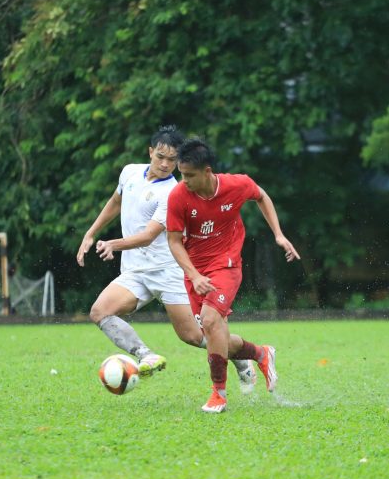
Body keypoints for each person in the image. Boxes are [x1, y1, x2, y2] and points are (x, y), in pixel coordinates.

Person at [77, 126, 256, 389]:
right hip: (136, 271)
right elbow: (116, 201)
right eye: (160, 156)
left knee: (196, 336)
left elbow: (149, 236)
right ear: (150, 152)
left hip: (170, 272)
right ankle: (144, 355)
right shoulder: (129, 172)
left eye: (172, 160)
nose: (165, 164)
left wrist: (113, 244)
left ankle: (242, 358)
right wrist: (91, 233)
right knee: (100, 311)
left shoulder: (173, 192)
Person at [166, 138, 300, 413]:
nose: (184, 181)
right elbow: (174, 241)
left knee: (211, 320)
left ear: (207, 171)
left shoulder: (235, 185)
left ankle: (219, 394)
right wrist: (194, 275)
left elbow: (261, 195)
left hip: (226, 265)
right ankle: (261, 354)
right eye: (181, 174)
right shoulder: (178, 196)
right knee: (219, 339)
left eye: (189, 175)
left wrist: (279, 234)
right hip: (196, 272)